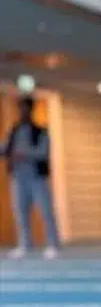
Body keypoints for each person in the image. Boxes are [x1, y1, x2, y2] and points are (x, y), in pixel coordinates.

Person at [2, 95, 60, 259]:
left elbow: (43, 152)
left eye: (25, 108)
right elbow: (6, 148)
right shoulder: (14, 131)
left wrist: (23, 153)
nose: (22, 111)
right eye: (20, 108)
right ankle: (25, 244)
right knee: (20, 213)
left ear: (31, 109)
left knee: (46, 211)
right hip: (18, 179)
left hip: (37, 178)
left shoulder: (40, 131)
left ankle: (53, 244)